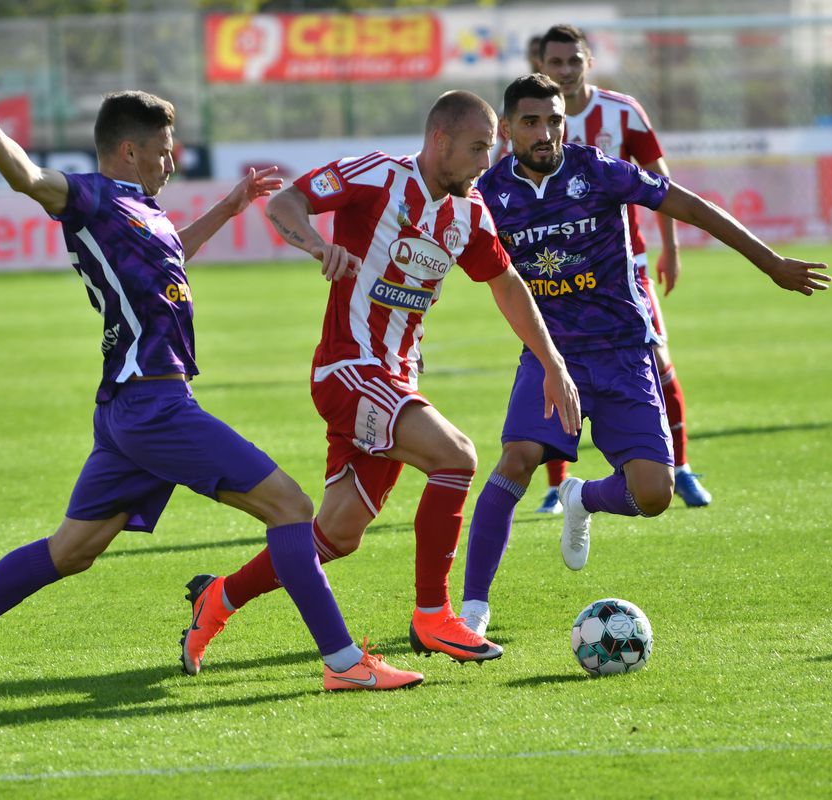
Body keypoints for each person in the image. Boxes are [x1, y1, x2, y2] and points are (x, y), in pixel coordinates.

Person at [0, 74, 425, 698]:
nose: (172, 161)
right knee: (291, 509)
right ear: (129, 150)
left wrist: (229, 210)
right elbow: (31, 180)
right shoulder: (93, 196)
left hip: (132, 407)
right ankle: (344, 663)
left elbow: (173, 251)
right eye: (164, 149)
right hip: (153, 404)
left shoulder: (142, 209)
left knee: (72, 550)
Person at [178, 90, 582, 676]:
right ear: (439, 140)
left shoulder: (469, 212)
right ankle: (433, 616)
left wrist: (552, 362)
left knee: (336, 536)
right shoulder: (376, 176)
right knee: (458, 458)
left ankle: (217, 599)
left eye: (488, 150)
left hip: (395, 378)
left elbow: (507, 284)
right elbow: (287, 203)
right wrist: (318, 245)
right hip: (347, 370)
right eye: (475, 149)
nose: (483, 163)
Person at [459, 73, 829, 636]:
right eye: (531, 122)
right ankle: (472, 610)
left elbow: (693, 207)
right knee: (517, 459)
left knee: (653, 495)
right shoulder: (486, 194)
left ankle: (582, 498)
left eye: (555, 120)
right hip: (550, 354)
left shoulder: (597, 170)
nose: (545, 132)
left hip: (623, 350)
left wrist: (771, 263)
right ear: (506, 128)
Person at [531, 23, 710, 514]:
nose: (565, 71)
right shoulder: (531, 121)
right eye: (555, 63)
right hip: (556, 273)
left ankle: (682, 468)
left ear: (588, 62)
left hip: (624, 268)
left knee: (659, 364)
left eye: (573, 61)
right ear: (541, 66)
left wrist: (669, 247)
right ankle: (557, 483)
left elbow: (660, 180)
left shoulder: (622, 111)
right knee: (555, 366)